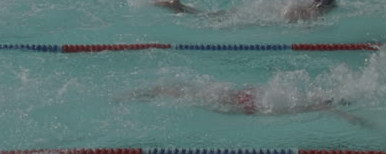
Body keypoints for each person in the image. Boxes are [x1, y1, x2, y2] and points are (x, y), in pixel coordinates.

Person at [124, 82, 371, 128]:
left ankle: (148, 91)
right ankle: (147, 93)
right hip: (245, 105)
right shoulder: (313, 103)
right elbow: (330, 109)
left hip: (246, 97)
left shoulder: (306, 95)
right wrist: (353, 119)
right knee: (189, 97)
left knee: (189, 92)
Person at [153, 0, 337, 23]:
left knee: (211, 15)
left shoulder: (302, 3)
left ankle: (179, 5)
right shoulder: (313, 12)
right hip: (256, 19)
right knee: (210, 18)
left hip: (251, 11)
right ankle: (178, 7)